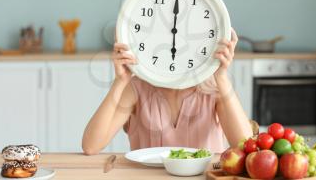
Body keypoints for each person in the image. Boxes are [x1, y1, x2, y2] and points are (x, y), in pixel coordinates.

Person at [82, 28, 253, 155]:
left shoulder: (214, 90)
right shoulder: (136, 88)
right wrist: (120, 81)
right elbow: (91, 146)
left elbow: (245, 147)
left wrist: (221, 77)